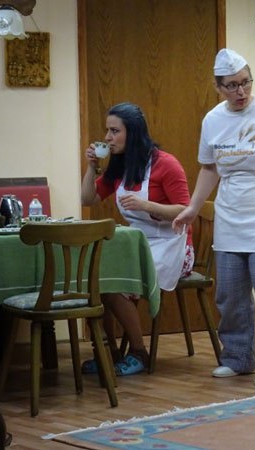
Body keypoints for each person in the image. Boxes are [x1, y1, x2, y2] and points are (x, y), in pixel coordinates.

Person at [172, 48, 255, 386]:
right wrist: (192, 208)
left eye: (245, 82)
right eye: (231, 85)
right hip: (231, 214)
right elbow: (209, 168)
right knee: (230, 295)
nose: (241, 91)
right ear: (219, 87)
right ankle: (239, 358)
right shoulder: (213, 120)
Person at [81, 102, 194, 376]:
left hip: (174, 244)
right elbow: (87, 199)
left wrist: (147, 206)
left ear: (132, 133)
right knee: (97, 278)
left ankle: (138, 351)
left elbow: (186, 211)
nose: (107, 137)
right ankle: (108, 351)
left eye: (114, 131)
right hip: (139, 243)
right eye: (107, 131)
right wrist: (92, 167)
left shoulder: (166, 164)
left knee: (115, 284)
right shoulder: (119, 165)